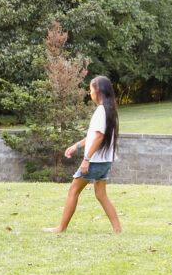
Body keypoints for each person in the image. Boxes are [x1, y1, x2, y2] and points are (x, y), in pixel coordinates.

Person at [45, 76, 123, 234]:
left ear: (98, 91)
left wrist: (86, 160)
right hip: (105, 161)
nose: (90, 93)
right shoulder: (110, 111)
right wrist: (76, 146)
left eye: (91, 89)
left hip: (95, 161)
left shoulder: (101, 111)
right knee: (101, 194)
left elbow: (99, 137)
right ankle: (118, 230)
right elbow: (95, 136)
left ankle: (61, 228)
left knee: (73, 190)